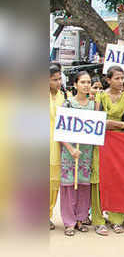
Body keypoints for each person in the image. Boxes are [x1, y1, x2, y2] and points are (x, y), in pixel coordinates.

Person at [93, 66, 124, 235]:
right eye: (116, 78)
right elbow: (96, 120)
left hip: (118, 142)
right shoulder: (101, 96)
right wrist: (114, 124)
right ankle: (98, 220)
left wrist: (112, 124)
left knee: (116, 178)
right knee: (98, 178)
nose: (120, 81)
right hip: (101, 141)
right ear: (108, 80)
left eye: (122, 78)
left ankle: (116, 219)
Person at [59, 71, 95, 236]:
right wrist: (71, 149)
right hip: (70, 151)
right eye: (83, 82)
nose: (86, 85)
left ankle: (81, 218)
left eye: (88, 82)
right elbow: (60, 131)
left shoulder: (94, 105)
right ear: (75, 85)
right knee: (68, 187)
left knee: (83, 186)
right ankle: (69, 222)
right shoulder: (68, 104)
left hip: (87, 151)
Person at [49, 63, 65, 230]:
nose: (58, 82)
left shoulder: (63, 96)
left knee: (54, 182)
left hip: (58, 144)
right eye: (54, 80)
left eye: (60, 79)